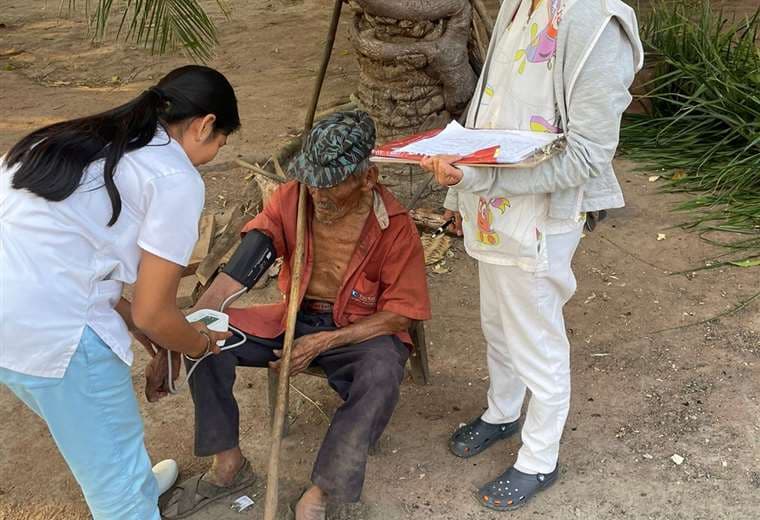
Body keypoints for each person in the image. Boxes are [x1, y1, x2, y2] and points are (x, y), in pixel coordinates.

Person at [420, 0, 643, 511]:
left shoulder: (598, 24)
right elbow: (487, 105)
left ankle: (539, 459)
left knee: (537, 340)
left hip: (541, 216)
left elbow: (587, 154)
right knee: (498, 323)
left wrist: (482, 179)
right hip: (490, 207)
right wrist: (461, 195)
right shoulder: (518, 5)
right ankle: (502, 412)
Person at [155, 111, 431, 520]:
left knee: (382, 372)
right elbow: (254, 250)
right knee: (202, 339)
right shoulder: (295, 197)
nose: (318, 195)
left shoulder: (394, 228)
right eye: (313, 181)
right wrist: (200, 313)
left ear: (367, 178)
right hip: (290, 319)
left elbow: (401, 316)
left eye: (331, 184)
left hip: (356, 333)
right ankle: (229, 466)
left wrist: (324, 341)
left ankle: (322, 493)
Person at [0, 65, 240, 519]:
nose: (211, 155)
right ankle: (130, 496)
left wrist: (125, 311)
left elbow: (53, 246)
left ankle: (133, 479)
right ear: (205, 124)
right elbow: (156, 314)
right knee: (116, 485)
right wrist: (199, 343)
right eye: (220, 142)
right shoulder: (174, 177)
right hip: (59, 335)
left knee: (86, 430)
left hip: (11, 321)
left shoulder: (63, 138)